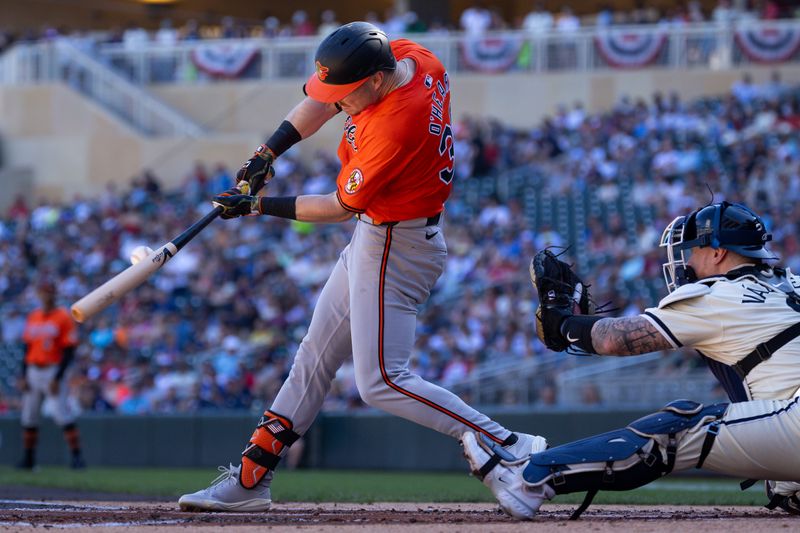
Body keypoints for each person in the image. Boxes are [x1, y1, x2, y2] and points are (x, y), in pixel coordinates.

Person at [178, 21, 546, 512]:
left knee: (381, 382)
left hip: (398, 243)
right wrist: (269, 151)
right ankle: (250, 480)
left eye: (347, 92)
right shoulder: (410, 59)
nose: (337, 100)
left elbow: (339, 206)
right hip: (383, 235)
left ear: (375, 81)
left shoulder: (397, 122)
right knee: (313, 356)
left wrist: (256, 207)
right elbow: (326, 100)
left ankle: (511, 446)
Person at [462, 201, 800, 519]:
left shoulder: (721, 294)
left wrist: (564, 323)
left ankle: (528, 480)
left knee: (678, 428)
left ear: (717, 252)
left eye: (694, 249)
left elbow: (615, 339)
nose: (687, 262)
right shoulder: (791, 282)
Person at [18, 280, 86, 470]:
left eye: (49, 292)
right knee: (29, 417)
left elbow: (69, 350)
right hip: (33, 370)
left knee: (61, 414)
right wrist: (23, 375)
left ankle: (77, 457)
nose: (46, 295)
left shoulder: (63, 317)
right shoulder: (34, 316)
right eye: (43, 292)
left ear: (54, 295)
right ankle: (29, 460)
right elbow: (27, 347)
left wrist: (58, 377)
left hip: (52, 370)